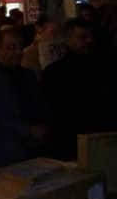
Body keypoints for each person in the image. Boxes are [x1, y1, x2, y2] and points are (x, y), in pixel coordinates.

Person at [42, 18, 117, 160]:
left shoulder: (105, 66)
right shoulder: (55, 73)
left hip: (100, 139)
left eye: (90, 36)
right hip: (71, 142)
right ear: (68, 39)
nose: (89, 41)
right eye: (82, 37)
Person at [0, 28, 46, 168]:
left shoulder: (28, 75)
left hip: (31, 150)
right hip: (2, 152)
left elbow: (39, 104)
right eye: (11, 48)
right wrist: (28, 130)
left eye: (20, 47)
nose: (18, 52)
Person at [21, 15, 64, 80]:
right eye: (54, 33)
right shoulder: (29, 53)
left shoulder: (63, 49)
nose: (58, 37)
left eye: (60, 33)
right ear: (39, 29)